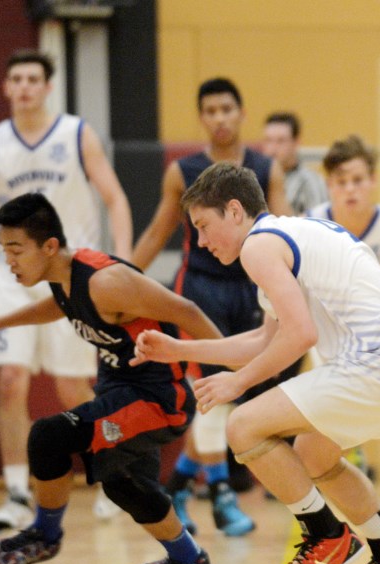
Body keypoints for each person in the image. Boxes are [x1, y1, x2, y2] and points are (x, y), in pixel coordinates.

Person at [133, 161, 380, 564]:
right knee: (315, 455)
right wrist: (181, 350)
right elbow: (264, 341)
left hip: (376, 362)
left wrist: (236, 385)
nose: (200, 241)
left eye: (203, 225)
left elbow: (301, 335)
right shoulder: (282, 237)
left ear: (234, 211)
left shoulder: (260, 247)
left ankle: (325, 536)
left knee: (243, 425)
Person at [0, 192, 222, 564]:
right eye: (4, 250)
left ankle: (44, 534)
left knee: (48, 436)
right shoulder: (62, 277)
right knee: (123, 484)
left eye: (15, 250)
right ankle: (189, 560)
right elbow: (61, 306)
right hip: (120, 391)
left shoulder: (107, 282)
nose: (9, 260)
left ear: (50, 245)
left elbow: (187, 311)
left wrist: (233, 367)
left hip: (159, 399)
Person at [0, 48, 133, 530]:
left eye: (34, 78)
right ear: (6, 88)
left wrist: (124, 258)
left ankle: (111, 477)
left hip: (71, 275)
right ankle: (15, 492)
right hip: (12, 276)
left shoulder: (77, 134)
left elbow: (115, 197)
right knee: (11, 381)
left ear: (48, 87)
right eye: (17, 78)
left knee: (73, 386)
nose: (26, 86)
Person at [131, 77, 293, 537]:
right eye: (211, 110)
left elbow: (287, 229)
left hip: (253, 285)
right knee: (212, 389)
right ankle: (221, 494)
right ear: (202, 118)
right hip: (201, 287)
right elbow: (156, 233)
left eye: (227, 108)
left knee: (236, 393)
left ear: (241, 114)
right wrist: (116, 280)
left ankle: (179, 485)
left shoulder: (266, 167)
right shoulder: (182, 171)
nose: (220, 117)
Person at [307, 135, 380, 535]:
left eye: (358, 180)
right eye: (341, 181)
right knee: (333, 428)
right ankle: (352, 467)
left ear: (372, 180)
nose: (350, 189)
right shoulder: (313, 224)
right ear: (329, 185)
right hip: (334, 339)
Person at [262, 112, 328, 215]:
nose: (273, 149)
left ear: (296, 142)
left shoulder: (311, 181)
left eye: (281, 141)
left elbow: (318, 225)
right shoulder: (256, 177)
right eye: (268, 140)